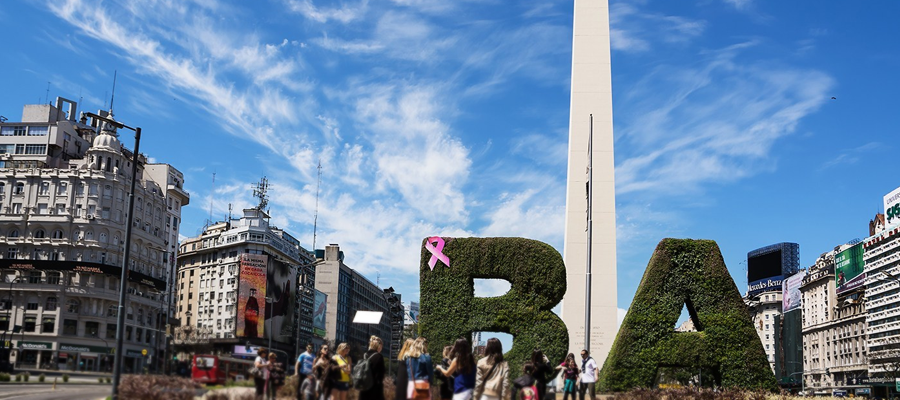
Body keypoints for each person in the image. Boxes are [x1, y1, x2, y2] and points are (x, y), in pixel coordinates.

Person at [359, 336, 386, 400]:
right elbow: (381, 374)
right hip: (374, 388)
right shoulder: (379, 357)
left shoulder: (364, 355)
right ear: (379, 346)